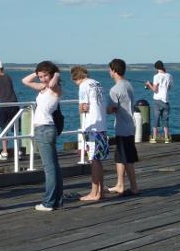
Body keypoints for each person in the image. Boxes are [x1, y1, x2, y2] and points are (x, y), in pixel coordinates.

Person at [22, 61, 63, 211]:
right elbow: (25, 81)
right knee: (54, 167)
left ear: (51, 75)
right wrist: (37, 72)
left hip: (45, 129)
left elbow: (52, 84)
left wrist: (56, 73)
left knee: (50, 168)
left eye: (45, 75)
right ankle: (57, 200)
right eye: (40, 76)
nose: (43, 79)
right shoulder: (43, 88)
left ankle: (49, 203)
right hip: (43, 130)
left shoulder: (55, 88)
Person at [71, 65, 109, 201]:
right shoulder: (98, 83)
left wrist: (81, 108)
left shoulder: (83, 86)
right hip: (102, 124)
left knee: (93, 159)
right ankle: (101, 191)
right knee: (98, 160)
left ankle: (94, 193)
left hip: (92, 126)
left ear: (76, 78)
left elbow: (82, 107)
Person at [107, 58, 139, 196]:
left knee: (127, 159)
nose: (109, 71)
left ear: (114, 70)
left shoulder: (115, 89)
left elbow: (111, 109)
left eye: (110, 69)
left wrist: (103, 108)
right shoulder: (128, 85)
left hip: (123, 127)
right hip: (130, 125)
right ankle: (120, 184)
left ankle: (134, 187)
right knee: (120, 157)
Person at [145, 60, 173, 143]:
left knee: (156, 119)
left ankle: (154, 138)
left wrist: (148, 84)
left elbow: (154, 89)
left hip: (157, 100)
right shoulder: (169, 76)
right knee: (166, 120)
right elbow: (169, 88)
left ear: (156, 68)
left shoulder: (156, 76)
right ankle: (166, 138)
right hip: (166, 100)